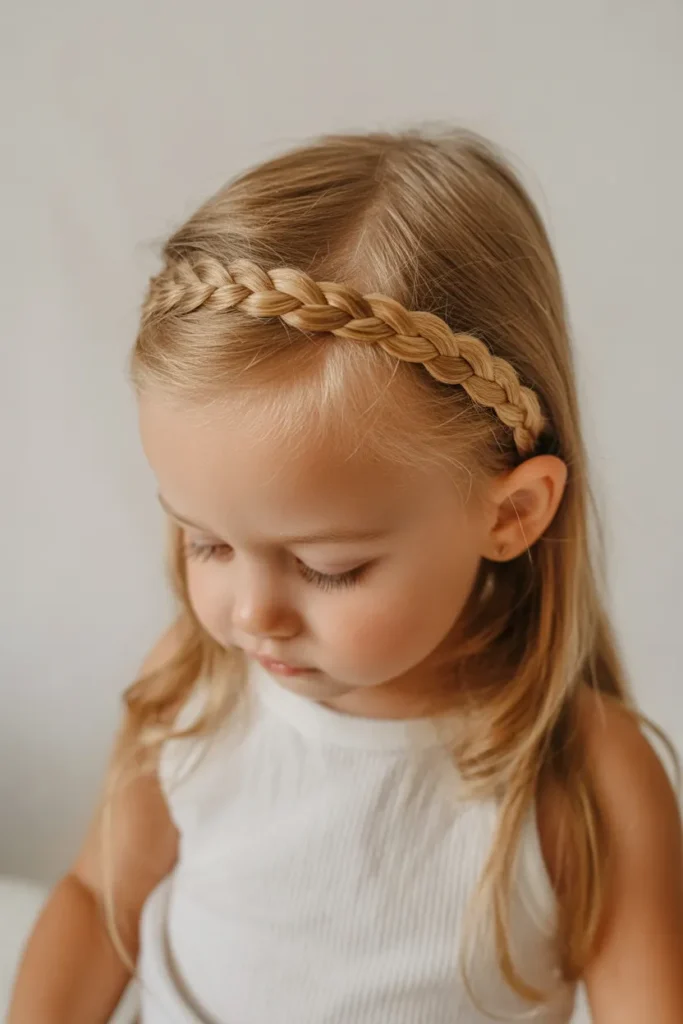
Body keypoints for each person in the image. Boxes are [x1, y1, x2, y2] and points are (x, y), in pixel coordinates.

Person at [10, 129, 683, 1024]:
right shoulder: (194, 688)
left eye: (330, 569)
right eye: (206, 543)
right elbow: (99, 905)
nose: (252, 615)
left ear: (510, 514)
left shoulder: (582, 778)